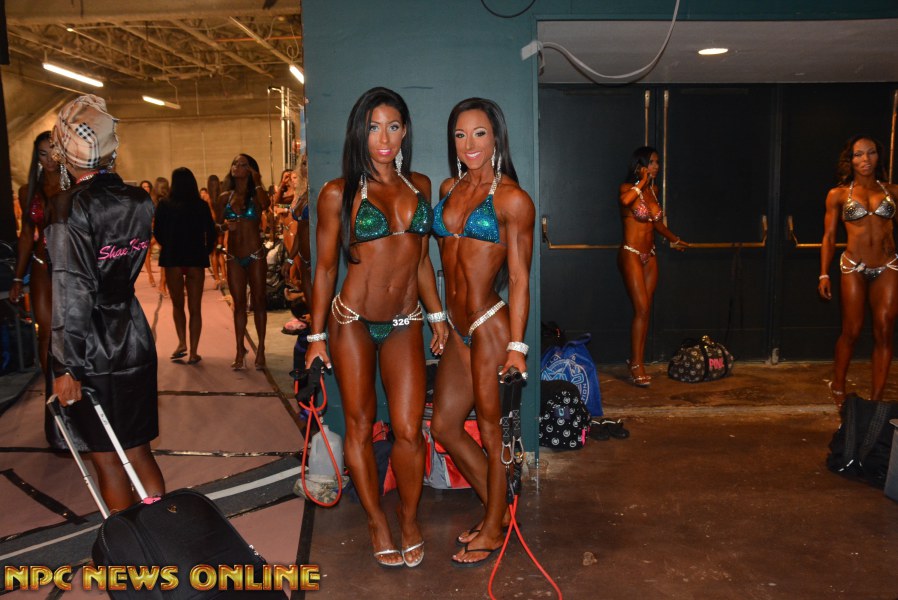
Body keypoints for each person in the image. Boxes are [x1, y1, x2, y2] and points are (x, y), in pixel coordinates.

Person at [305, 87, 448, 568]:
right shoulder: (338, 193)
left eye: (392, 126)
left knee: (409, 430)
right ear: (359, 133)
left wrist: (437, 315)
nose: (383, 138)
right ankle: (375, 521)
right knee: (361, 426)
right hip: (352, 322)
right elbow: (326, 268)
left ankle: (408, 517)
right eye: (373, 127)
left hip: (405, 321)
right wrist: (316, 336)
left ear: (405, 131)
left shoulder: (419, 185)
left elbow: (421, 260)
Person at [429, 98, 534, 567]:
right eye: (460, 134)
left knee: (493, 433)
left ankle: (494, 528)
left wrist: (517, 346)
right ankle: (498, 510)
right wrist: (438, 318)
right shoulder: (449, 188)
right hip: (457, 328)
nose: (469, 144)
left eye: (479, 134)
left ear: (496, 139)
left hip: (489, 324)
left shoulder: (512, 199)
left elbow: (519, 278)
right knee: (445, 427)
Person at [47, 94, 163, 511]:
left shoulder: (68, 207)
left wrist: (66, 365)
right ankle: (157, 535)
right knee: (138, 449)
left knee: (108, 459)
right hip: (133, 333)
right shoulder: (140, 200)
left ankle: (129, 547)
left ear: (64, 151)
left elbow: (72, 289)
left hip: (91, 345)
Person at [819, 135, 898, 404]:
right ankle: (839, 385)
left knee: (885, 330)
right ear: (850, 160)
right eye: (858, 154)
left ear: (878, 156)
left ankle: (876, 400)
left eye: (871, 152)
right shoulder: (838, 195)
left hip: (888, 265)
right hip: (854, 266)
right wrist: (824, 273)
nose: (866, 159)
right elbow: (829, 237)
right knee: (852, 330)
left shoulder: (892, 191)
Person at [618, 146, 688, 387]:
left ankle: (635, 360)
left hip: (651, 256)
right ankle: (636, 365)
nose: (657, 166)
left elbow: (656, 224)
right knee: (641, 308)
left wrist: (674, 239)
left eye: (658, 162)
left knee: (645, 311)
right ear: (640, 165)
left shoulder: (654, 191)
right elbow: (626, 201)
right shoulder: (627, 188)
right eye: (652, 162)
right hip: (631, 253)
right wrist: (642, 182)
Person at [9, 132, 63, 375]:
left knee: (74, 331)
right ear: (37, 157)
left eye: (53, 152)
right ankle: (52, 389)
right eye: (43, 154)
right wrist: (17, 277)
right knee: (46, 333)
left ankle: (79, 387)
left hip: (73, 265)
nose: (49, 159)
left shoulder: (77, 185)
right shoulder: (28, 191)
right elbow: (26, 236)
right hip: (42, 265)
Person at [154, 167, 217, 365]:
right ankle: (194, 351)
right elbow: (211, 232)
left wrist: (168, 245)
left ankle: (182, 342)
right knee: (195, 308)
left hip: (173, 258)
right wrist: (205, 251)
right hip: (195, 258)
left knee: (177, 305)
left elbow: (157, 232)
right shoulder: (201, 205)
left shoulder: (164, 205)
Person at [213, 154, 270, 370]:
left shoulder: (256, 196)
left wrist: (257, 181)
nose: (237, 166)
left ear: (251, 170)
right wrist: (225, 227)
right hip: (234, 257)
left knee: (259, 301)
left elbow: (265, 204)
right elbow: (216, 226)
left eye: (243, 164)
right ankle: (239, 350)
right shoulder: (224, 197)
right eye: (235, 163)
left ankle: (261, 349)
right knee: (238, 305)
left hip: (255, 255)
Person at [207, 174, 227, 289]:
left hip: (212, 228)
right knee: (220, 252)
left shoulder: (208, 199)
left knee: (213, 254)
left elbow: (211, 216)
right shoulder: (222, 198)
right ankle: (224, 276)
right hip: (221, 228)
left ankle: (217, 279)